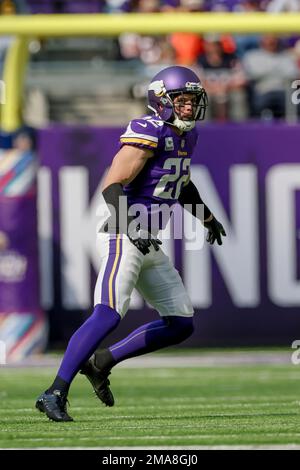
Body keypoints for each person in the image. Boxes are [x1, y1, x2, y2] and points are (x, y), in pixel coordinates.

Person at [35, 65, 226, 422]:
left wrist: (207, 217)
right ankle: (53, 392)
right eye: (181, 101)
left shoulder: (188, 136)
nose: (188, 108)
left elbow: (179, 183)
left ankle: (102, 361)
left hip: (149, 239)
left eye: (192, 101)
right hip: (123, 232)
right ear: (162, 101)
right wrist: (130, 224)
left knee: (181, 323)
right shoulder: (147, 130)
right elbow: (112, 184)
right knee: (107, 313)